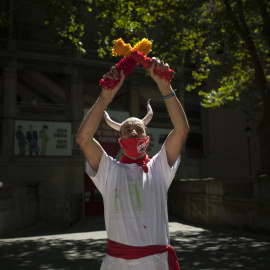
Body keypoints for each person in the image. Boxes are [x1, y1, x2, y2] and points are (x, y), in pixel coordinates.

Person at [76, 58, 189, 270]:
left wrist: (165, 86)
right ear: (120, 140)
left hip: (157, 264)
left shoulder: (159, 167)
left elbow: (181, 131)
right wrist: (106, 96)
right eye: (127, 130)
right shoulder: (109, 170)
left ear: (147, 139)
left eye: (139, 129)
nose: (134, 132)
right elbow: (83, 139)